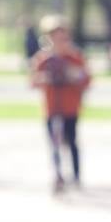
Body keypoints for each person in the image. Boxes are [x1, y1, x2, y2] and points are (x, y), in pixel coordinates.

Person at [31, 15, 91, 193]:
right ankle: (58, 175)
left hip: (70, 107)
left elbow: (86, 80)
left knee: (71, 140)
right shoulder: (44, 59)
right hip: (52, 107)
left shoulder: (75, 58)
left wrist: (73, 75)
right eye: (55, 38)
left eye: (63, 38)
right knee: (54, 142)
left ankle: (76, 175)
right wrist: (45, 78)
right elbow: (33, 81)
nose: (59, 42)